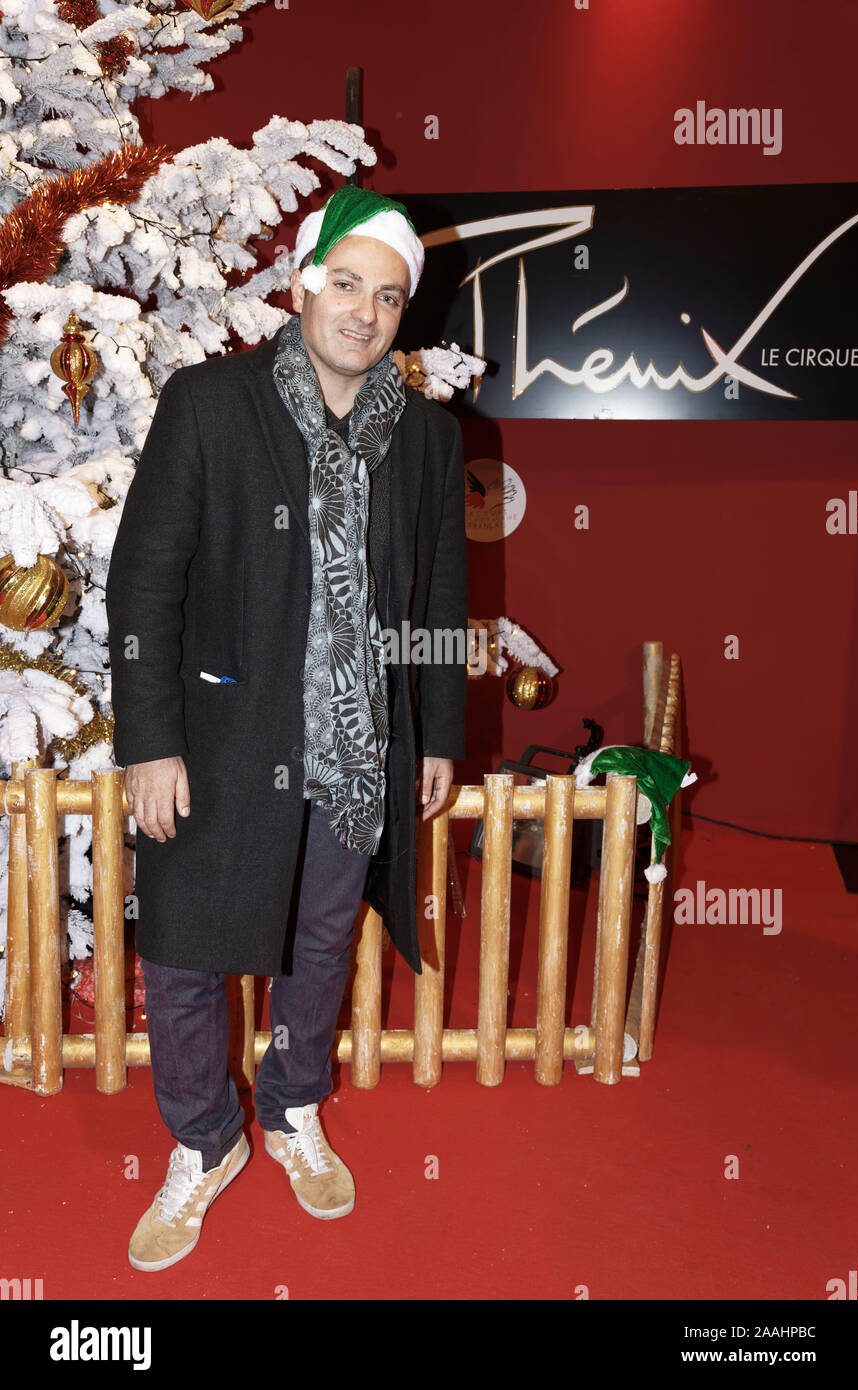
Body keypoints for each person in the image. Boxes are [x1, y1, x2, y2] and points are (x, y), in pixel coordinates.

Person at [105, 185, 468, 1272]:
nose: (363, 311)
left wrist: (436, 731)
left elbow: (439, 596)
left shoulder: (430, 440)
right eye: (346, 282)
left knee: (322, 937)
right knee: (179, 952)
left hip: (357, 747)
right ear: (303, 280)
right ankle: (204, 1139)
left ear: (402, 315)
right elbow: (143, 582)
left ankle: (294, 1105)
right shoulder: (210, 403)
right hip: (217, 735)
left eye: (388, 296)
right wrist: (147, 739)